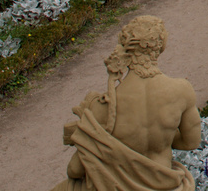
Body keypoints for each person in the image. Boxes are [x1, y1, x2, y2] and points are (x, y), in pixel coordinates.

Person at [53, 16, 200, 191]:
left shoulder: (105, 104)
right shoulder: (182, 90)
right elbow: (191, 142)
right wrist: (162, 137)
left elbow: (75, 170)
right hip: (165, 183)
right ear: (161, 45)